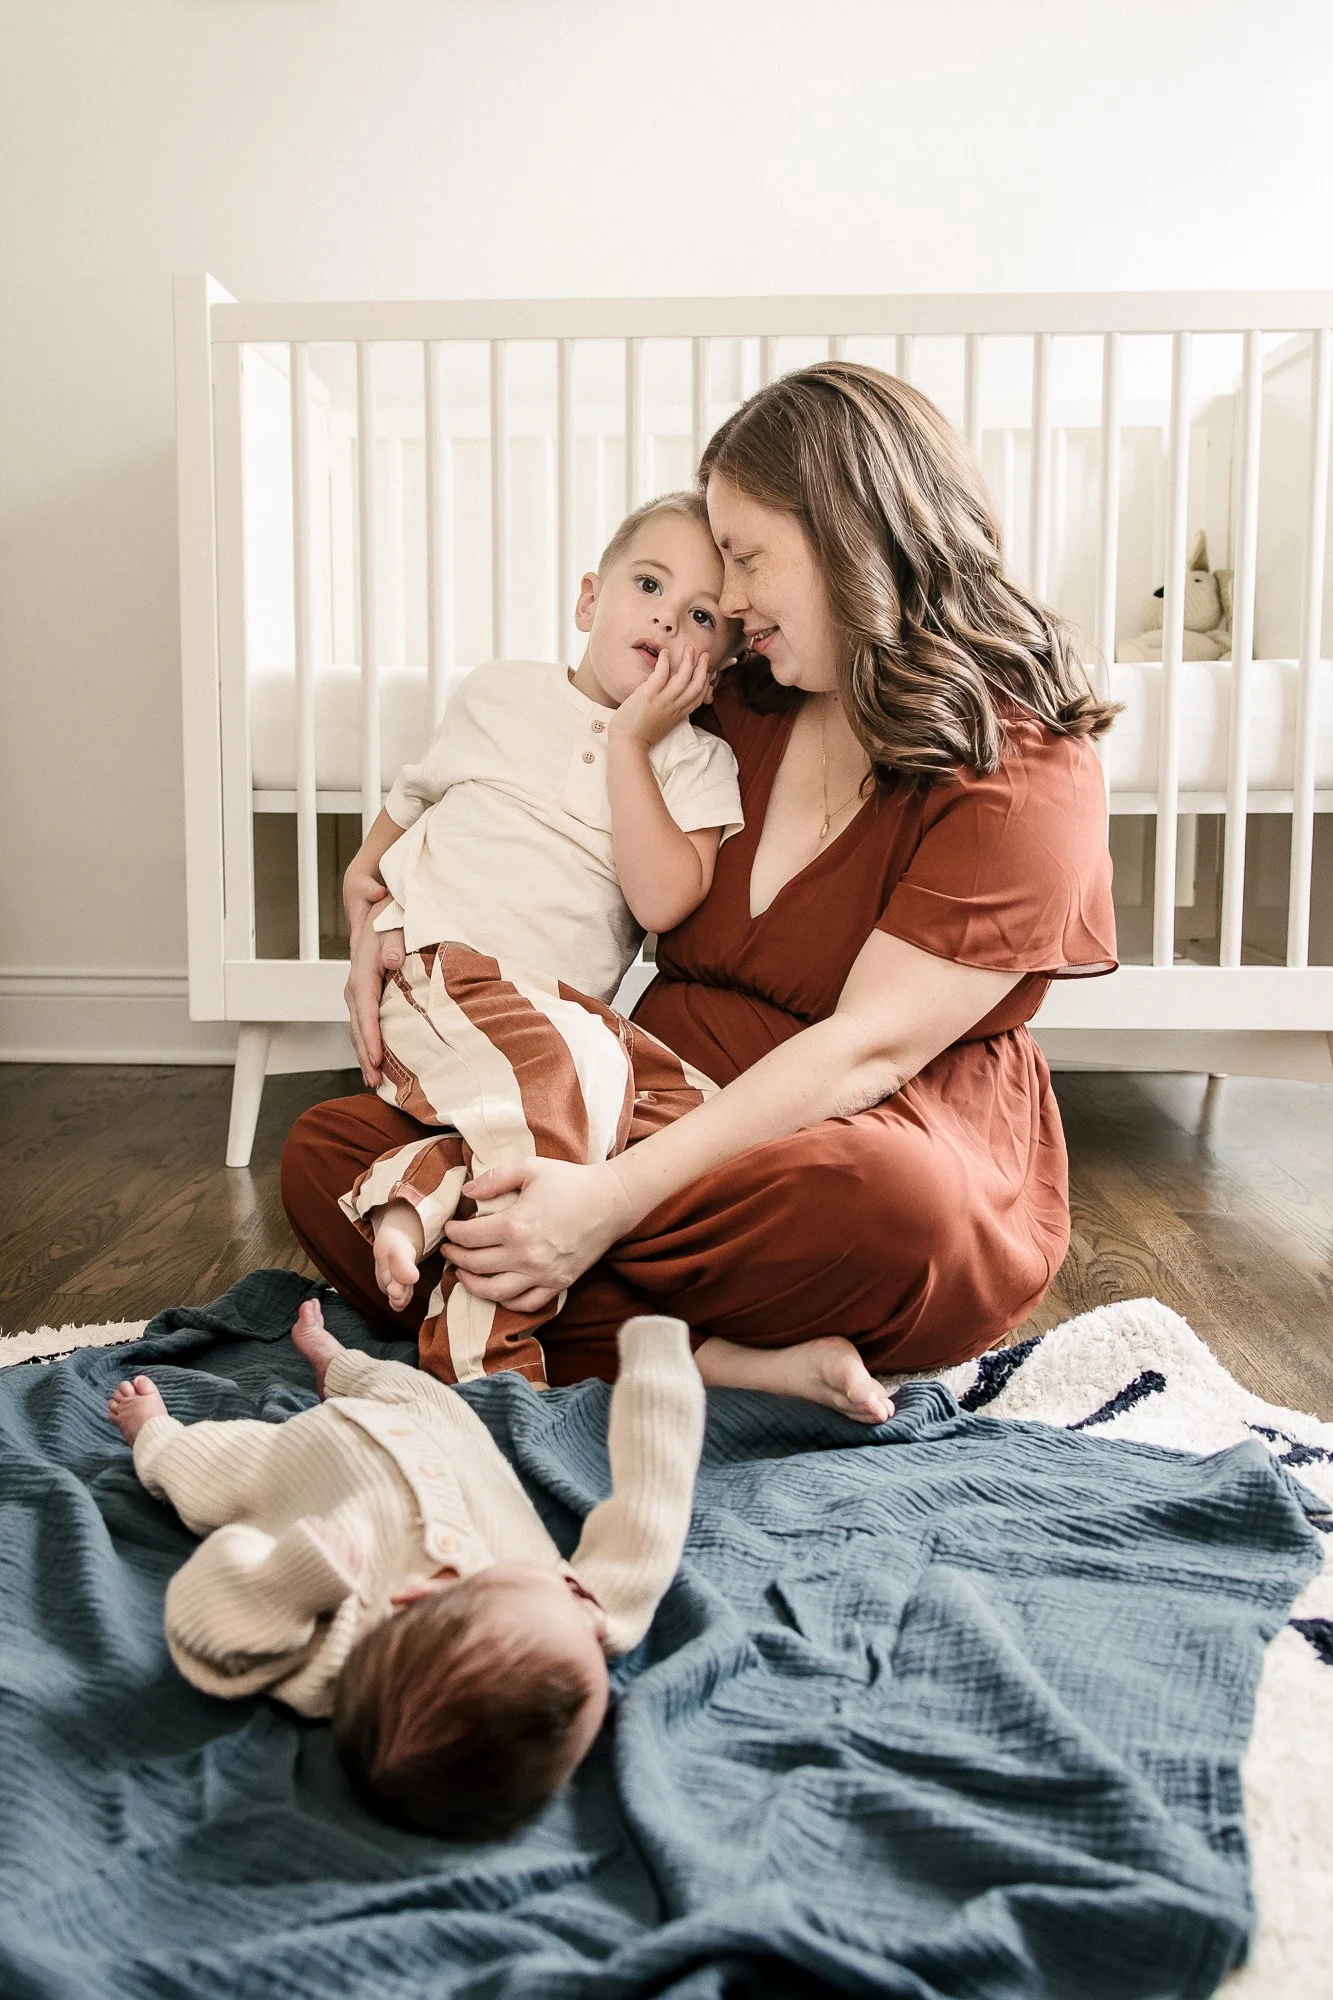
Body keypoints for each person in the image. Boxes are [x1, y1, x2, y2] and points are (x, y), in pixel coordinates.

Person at [282, 361, 1118, 1422]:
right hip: (638, 1097)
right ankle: (716, 1351)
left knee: (890, 1209)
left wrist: (603, 1204)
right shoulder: (735, 696)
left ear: (846, 533)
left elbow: (869, 1049)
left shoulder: (1024, 767)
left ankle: (539, 1264)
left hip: (854, 1131)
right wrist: (381, 904)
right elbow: (521, 792)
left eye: (745, 555)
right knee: (329, 1152)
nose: (724, 599)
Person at [337, 491, 744, 1387]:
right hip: (448, 967)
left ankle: (417, 1185)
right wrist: (362, 885)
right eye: (649, 585)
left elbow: (665, 899)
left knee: (697, 1120)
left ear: (719, 662)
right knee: (556, 1094)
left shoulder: (696, 759)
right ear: (588, 602)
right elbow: (413, 802)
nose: (668, 618)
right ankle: (486, 1369)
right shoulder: (500, 692)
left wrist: (635, 743)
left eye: (701, 615)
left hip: (569, 1013)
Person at [106, 1297, 704, 1842]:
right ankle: (335, 1366)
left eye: (564, 1592)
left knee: (205, 1476)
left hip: (293, 1465)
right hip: (430, 1427)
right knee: (416, 1389)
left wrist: (288, 1581)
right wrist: (661, 1367)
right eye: (582, 1600)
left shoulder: (336, 1655)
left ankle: (151, 1435)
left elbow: (201, 1620)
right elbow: (652, 1511)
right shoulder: (585, 1631)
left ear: (417, 1597)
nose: (585, 1597)